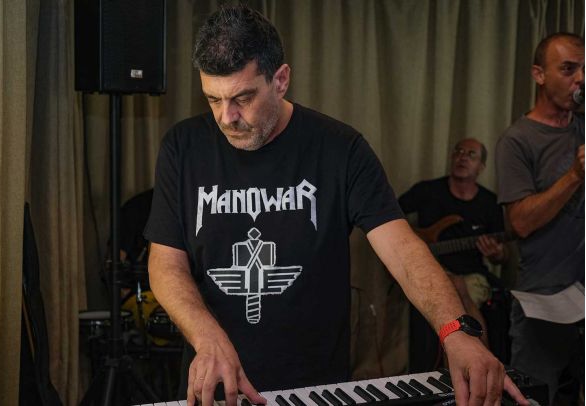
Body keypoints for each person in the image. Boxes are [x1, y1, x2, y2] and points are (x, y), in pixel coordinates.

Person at [144, 5, 527, 406]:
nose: (227, 117)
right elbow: (166, 263)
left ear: (281, 80)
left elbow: (402, 249)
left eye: (242, 97)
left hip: (315, 387)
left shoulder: (340, 149)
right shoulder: (183, 147)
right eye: (213, 99)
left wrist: (456, 331)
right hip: (214, 385)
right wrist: (207, 337)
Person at [496, 32, 584, 405]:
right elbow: (519, 222)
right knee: (533, 396)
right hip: (543, 302)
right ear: (539, 74)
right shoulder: (518, 140)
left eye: (584, 70)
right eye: (568, 69)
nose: (580, 79)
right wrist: (574, 176)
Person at [398, 138, 508, 370]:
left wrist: (496, 253)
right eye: (458, 151)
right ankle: (476, 370)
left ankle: (474, 369)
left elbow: (501, 256)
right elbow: (389, 216)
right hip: (428, 270)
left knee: (459, 290)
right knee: (451, 288)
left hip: (472, 276)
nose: (462, 157)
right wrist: (412, 241)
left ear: (481, 167)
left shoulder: (489, 203)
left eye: (471, 154)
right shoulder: (427, 191)